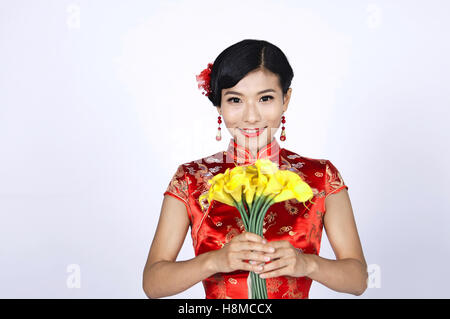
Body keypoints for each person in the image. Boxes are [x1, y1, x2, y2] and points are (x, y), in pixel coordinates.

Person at [142, 39, 368, 299]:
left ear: (286, 99)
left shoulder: (320, 176)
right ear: (219, 105)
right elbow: (153, 283)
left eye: (266, 98)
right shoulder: (191, 179)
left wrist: (308, 264)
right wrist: (214, 262)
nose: (251, 116)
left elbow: (358, 279)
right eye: (236, 99)